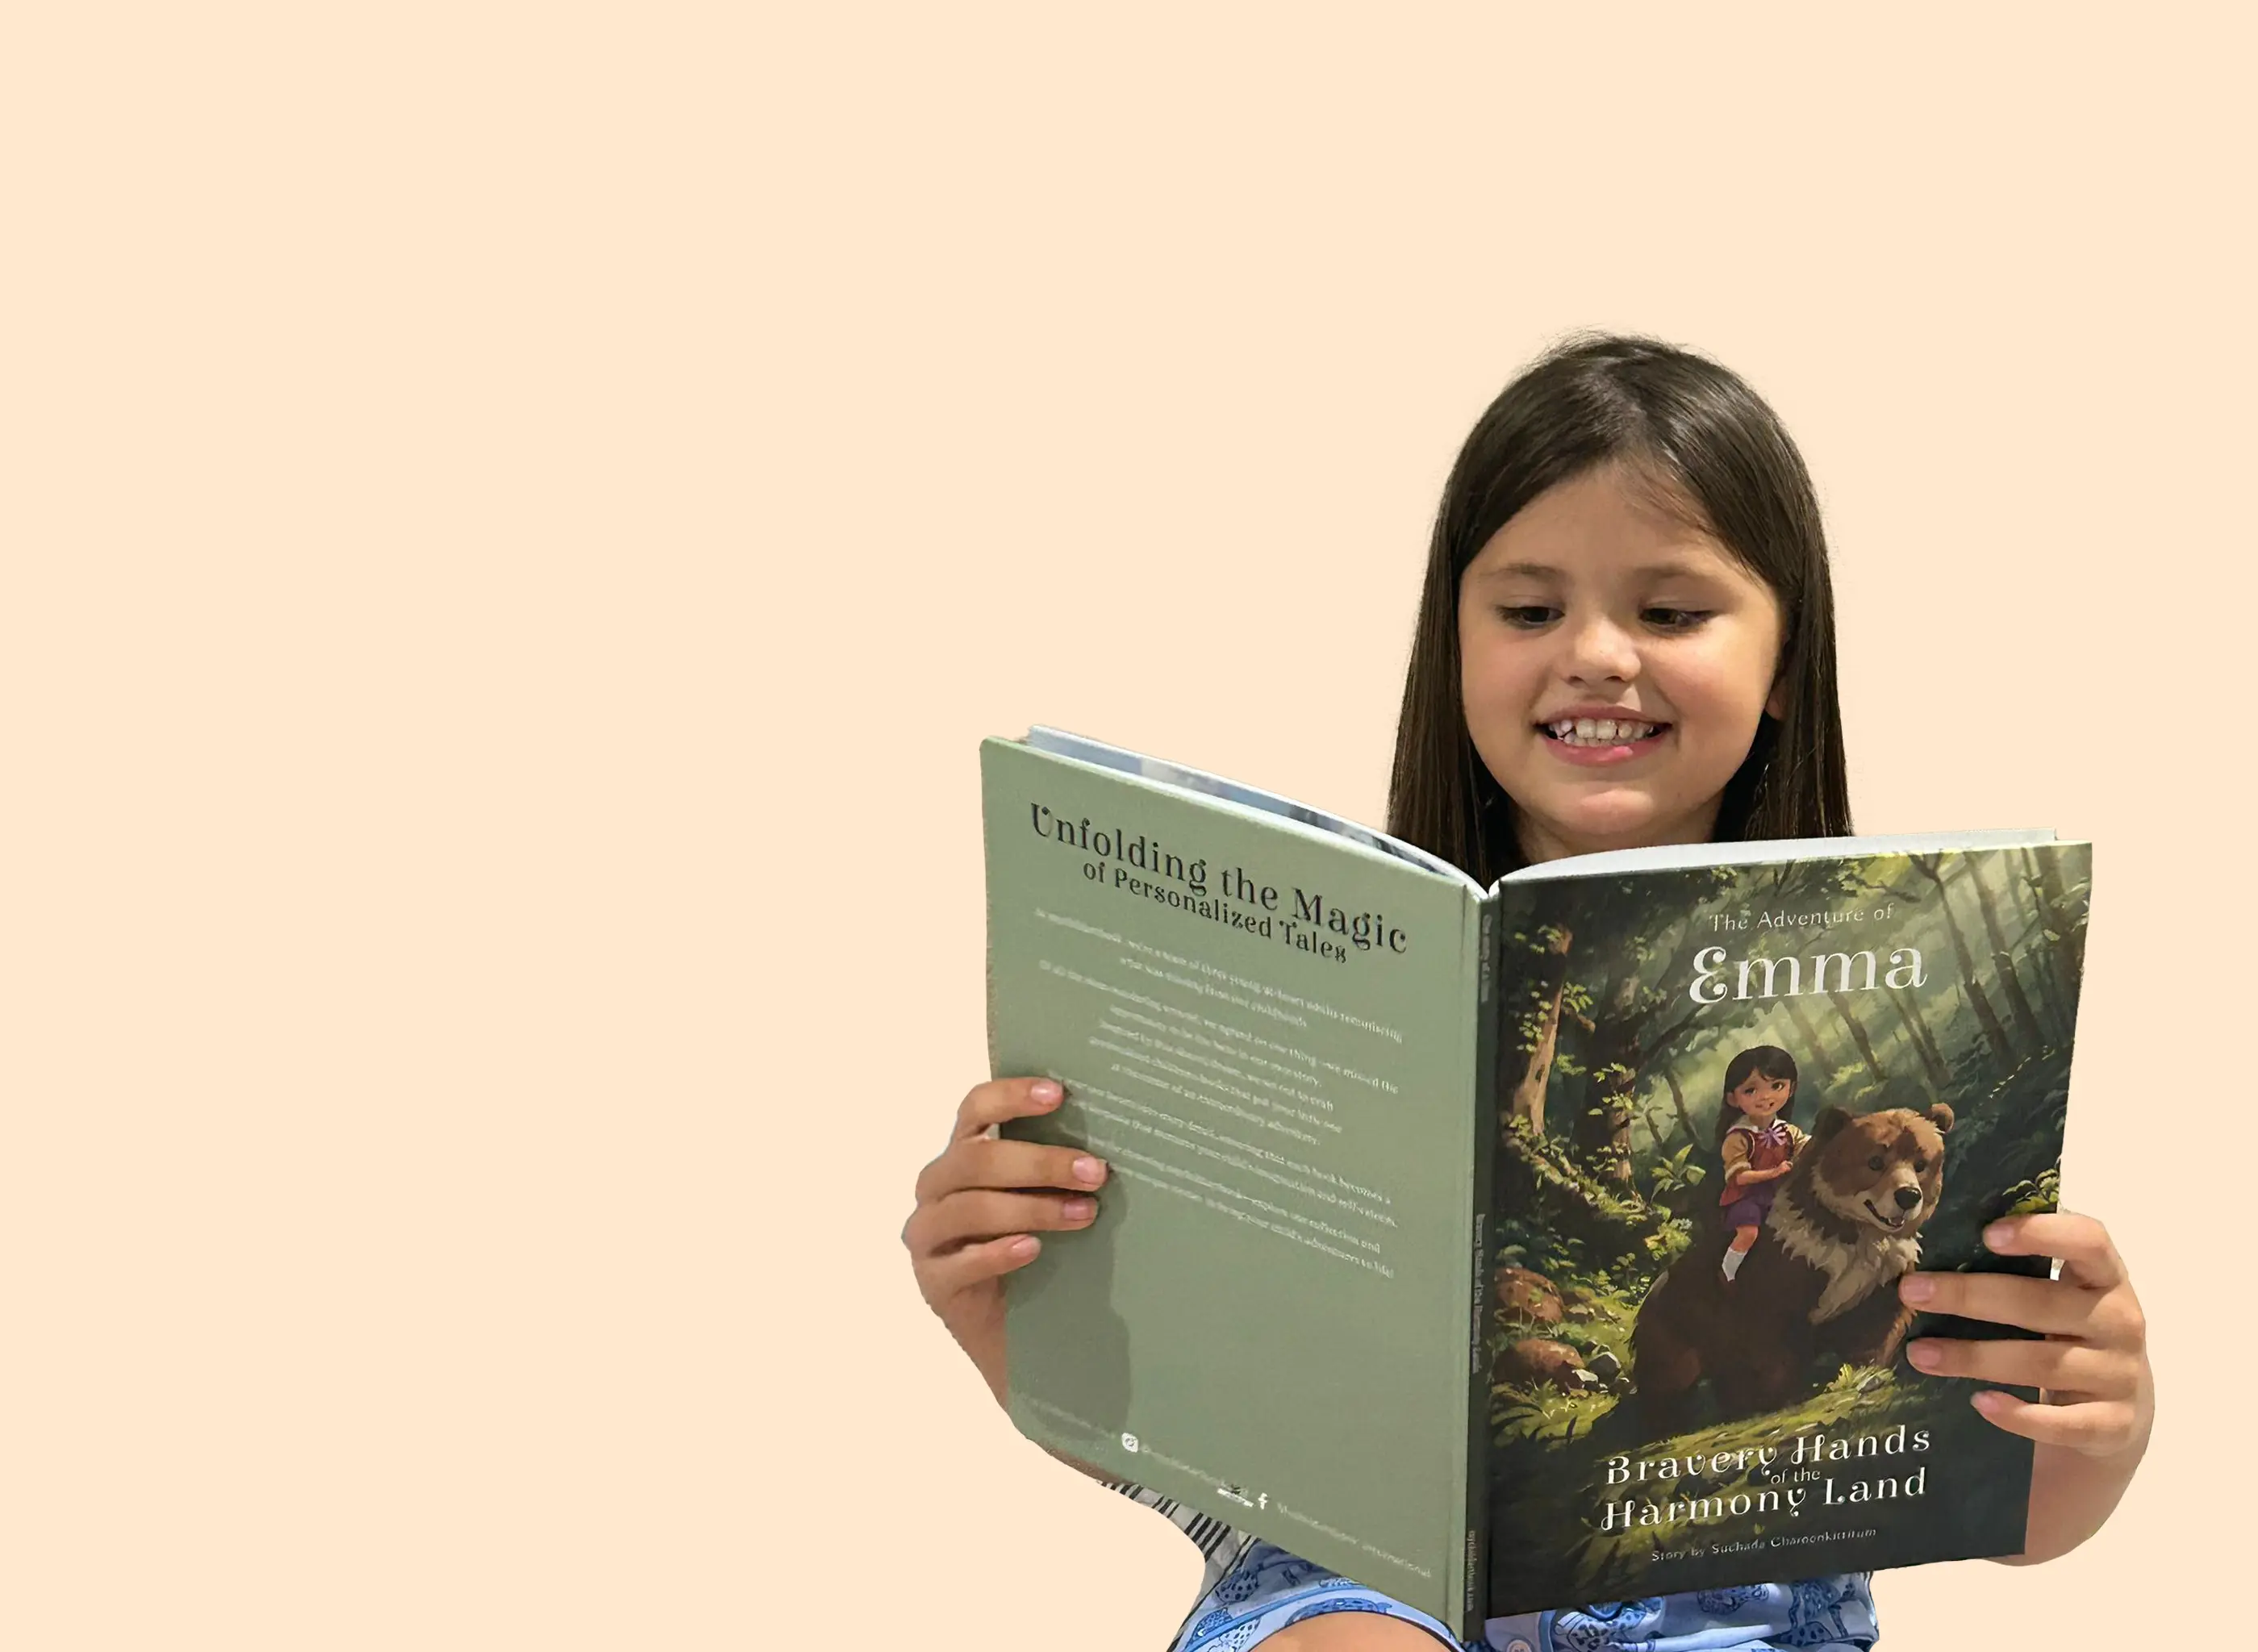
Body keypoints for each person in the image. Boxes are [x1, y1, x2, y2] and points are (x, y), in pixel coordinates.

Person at [902, 333, 2155, 1651]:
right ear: (1455, 645)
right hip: (1348, 1575)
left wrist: (2093, 1415)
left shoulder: (1880, 985)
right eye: (1527, 609)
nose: (1598, 655)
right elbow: (1174, 1425)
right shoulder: (1335, 990)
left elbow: (2016, 1504)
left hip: (1739, 1601)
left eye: (1670, 612)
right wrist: (1012, 1305)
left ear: (1787, 661)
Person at [1712, 1045, 1804, 1285]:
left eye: (1776, 1086)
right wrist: (1773, 1172)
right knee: (1749, 1232)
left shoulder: (1787, 1131)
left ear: (1791, 1088)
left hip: (1780, 1194)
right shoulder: (1738, 1137)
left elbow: (1807, 1147)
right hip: (1748, 1197)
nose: (1765, 1097)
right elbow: (1739, 1178)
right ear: (1733, 1098)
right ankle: (1728, 1272)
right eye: (1751, 1090)